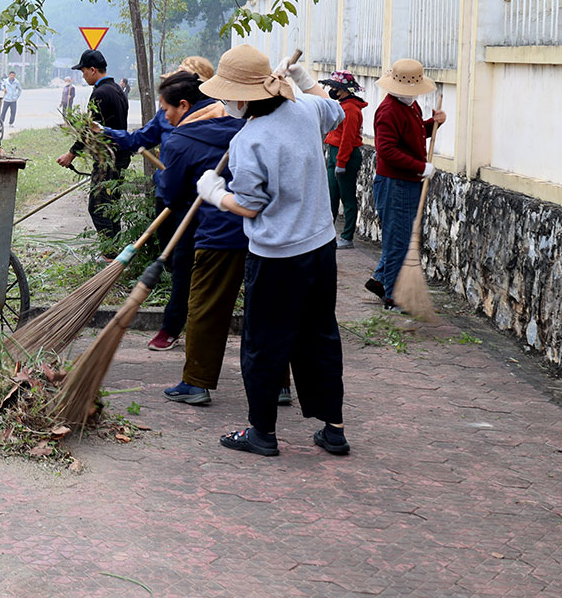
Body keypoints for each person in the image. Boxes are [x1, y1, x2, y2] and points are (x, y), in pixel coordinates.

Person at [195, 45, 348, 457]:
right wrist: (303, 80)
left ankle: (262, 432)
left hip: (276, 258)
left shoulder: (251, 140)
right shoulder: (305, 111)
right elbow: (336, 110)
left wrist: (215, 193)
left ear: (242, 98)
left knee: (265, 342)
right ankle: (333, 429)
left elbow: (250, 205)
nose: (224, 102)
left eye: (227, 95)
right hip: (320, 246)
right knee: (320, 335)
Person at [151, 70, 245, 405]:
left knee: (204, 308)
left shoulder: (180, 141)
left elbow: (172, 198)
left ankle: (196, 383)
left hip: (219, 235)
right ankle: (278, 384)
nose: (165, 116)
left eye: (166, 110)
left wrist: (176, 186)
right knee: (266, 309)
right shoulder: (245, 126)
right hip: (265, 232)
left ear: (185, 105)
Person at [368, 59, 446, 308]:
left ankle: (380, 281)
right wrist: (420, 167)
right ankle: (392, 295)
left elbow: (412, 135)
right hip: (395, 184)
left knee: (400, 235)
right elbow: (387, 151)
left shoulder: (411, 107)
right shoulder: (389, 111)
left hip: (408, 182)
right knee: (398, 240)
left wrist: (434, 125)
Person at [57, 49, 128, 243]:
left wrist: (71, 154)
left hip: (108, 160)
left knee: (99, 206)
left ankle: (109, 253)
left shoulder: (101, 93)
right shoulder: (117, 89)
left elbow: (90, 130)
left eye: (84, 71)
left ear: (93, 70)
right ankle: (116, 250)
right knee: (111, 205)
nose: (83, 75)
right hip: (120, 157)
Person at [321, 71, 368, 251]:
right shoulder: (342, 106)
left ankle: (347, 237)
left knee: (347, 198)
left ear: (343, 90)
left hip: (345, 155)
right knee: (331, 196)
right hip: (335, 153)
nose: (332, 90)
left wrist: (341, 163)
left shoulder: (351, 109)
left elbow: (347, 139)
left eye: (335, 87)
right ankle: (326, 234)